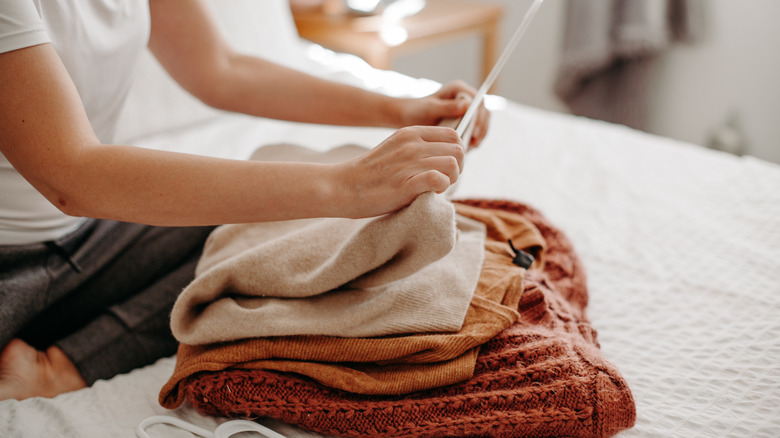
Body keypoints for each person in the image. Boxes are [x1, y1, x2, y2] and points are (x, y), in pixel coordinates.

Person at [0, 0, 490, 401]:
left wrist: (405, 108)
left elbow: (222, 69)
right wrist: (350, 186)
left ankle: (62, 365)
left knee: (251, 234)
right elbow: (72, 175)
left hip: (86, 239)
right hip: (11, 264)